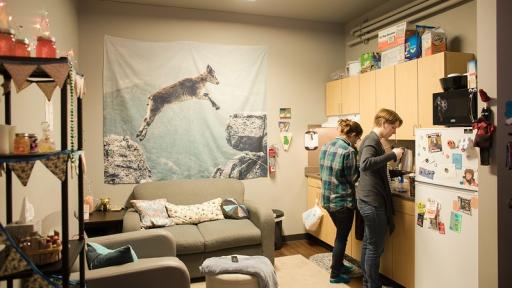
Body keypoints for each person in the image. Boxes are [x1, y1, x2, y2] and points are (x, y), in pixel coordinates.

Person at [357, 108, 404, 288]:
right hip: (372, 201)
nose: (394, 131)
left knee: (369, 244)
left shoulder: (374, 140)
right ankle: (372, 285)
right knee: (374, 249)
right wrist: (392, 155)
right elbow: (365, 164)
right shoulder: (371, 140)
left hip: (367, 198)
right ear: (383, 123)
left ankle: (367, 282)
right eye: (393, 127)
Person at [319, 119, 363, 284]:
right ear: (352, 135)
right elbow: (353, 178)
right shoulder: (348, 151)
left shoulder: (327, 145)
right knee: (341, 238)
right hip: (343, 202)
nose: (356, 141)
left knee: (340, 235)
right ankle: (335, 274)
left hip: (328, 201)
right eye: (357, 138)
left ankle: (340, 265)